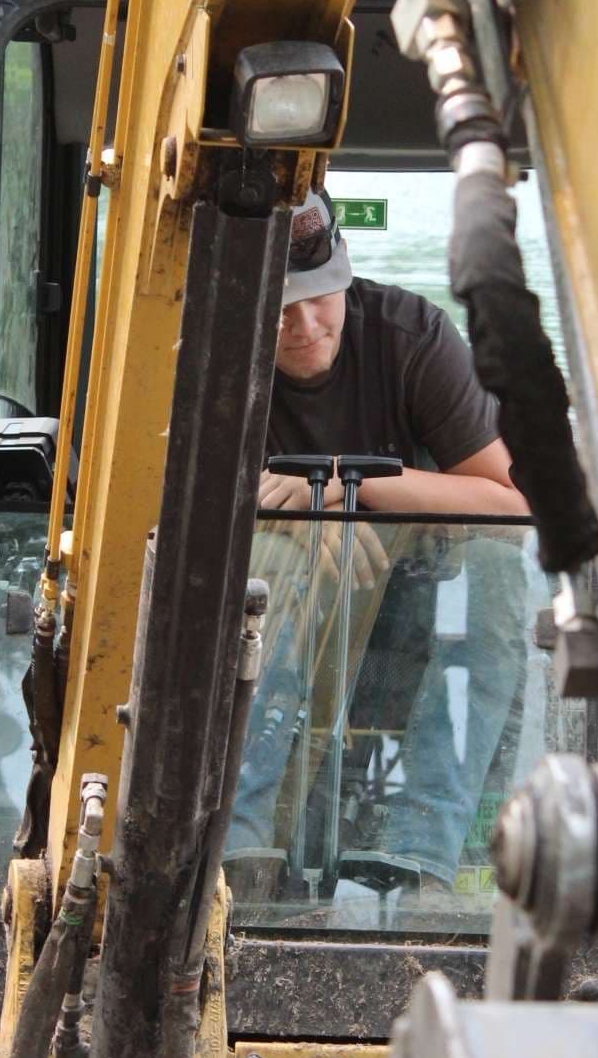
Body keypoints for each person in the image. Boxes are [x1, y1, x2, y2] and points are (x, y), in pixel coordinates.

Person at [226, 187, 530, 912]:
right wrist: (286, 526)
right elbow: (167, 513)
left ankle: (420, 857)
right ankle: (235, 854)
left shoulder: (410, 337)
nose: (305, 325)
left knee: (494, 570)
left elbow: (513, 505)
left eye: (321, 296)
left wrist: (348, 491)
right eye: (280, 307)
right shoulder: (217, 362)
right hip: (275, 624)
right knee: (286, 560)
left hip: (418, 612)